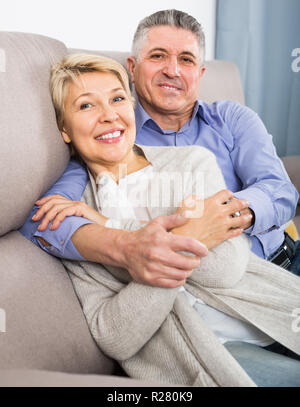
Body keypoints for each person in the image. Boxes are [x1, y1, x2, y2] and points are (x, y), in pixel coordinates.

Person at [32, 52, 300, 387]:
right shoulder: (75, 218)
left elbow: (225, 268)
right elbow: (115, 335)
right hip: (210, 355)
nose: (108, 115)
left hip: (277, 312)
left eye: (117, 99)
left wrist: (117, 233)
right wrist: (192, 233)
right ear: (64, 130)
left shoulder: (190, 162)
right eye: (86, 106)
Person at [20, 9, 300, 282]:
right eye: (158, 56)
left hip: (287, 258)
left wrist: (226, 215)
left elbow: (280, 190)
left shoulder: (232, 118)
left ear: (200, 74)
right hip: (229, 289)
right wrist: (129, 244)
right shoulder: (112, 138)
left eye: (186, 59)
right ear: (132, 67)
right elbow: (41, 221)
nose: (173, 70)